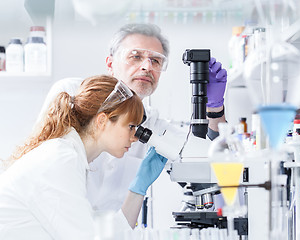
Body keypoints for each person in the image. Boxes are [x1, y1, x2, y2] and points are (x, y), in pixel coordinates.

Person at [36, 23, 227, 215]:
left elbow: (209, 158)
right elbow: (42, 164)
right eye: (136, 57)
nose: (147, 66)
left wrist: (214, 108)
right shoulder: (72, 93)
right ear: (111, 64)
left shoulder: (153, 125)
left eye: (156, 61)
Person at [0, 75, 168, 239]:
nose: (135, 137)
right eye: (131, 126)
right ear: (102, 121)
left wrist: (137, 189)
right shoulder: (61, 159)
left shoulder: (70, 155)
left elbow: (103, 231)